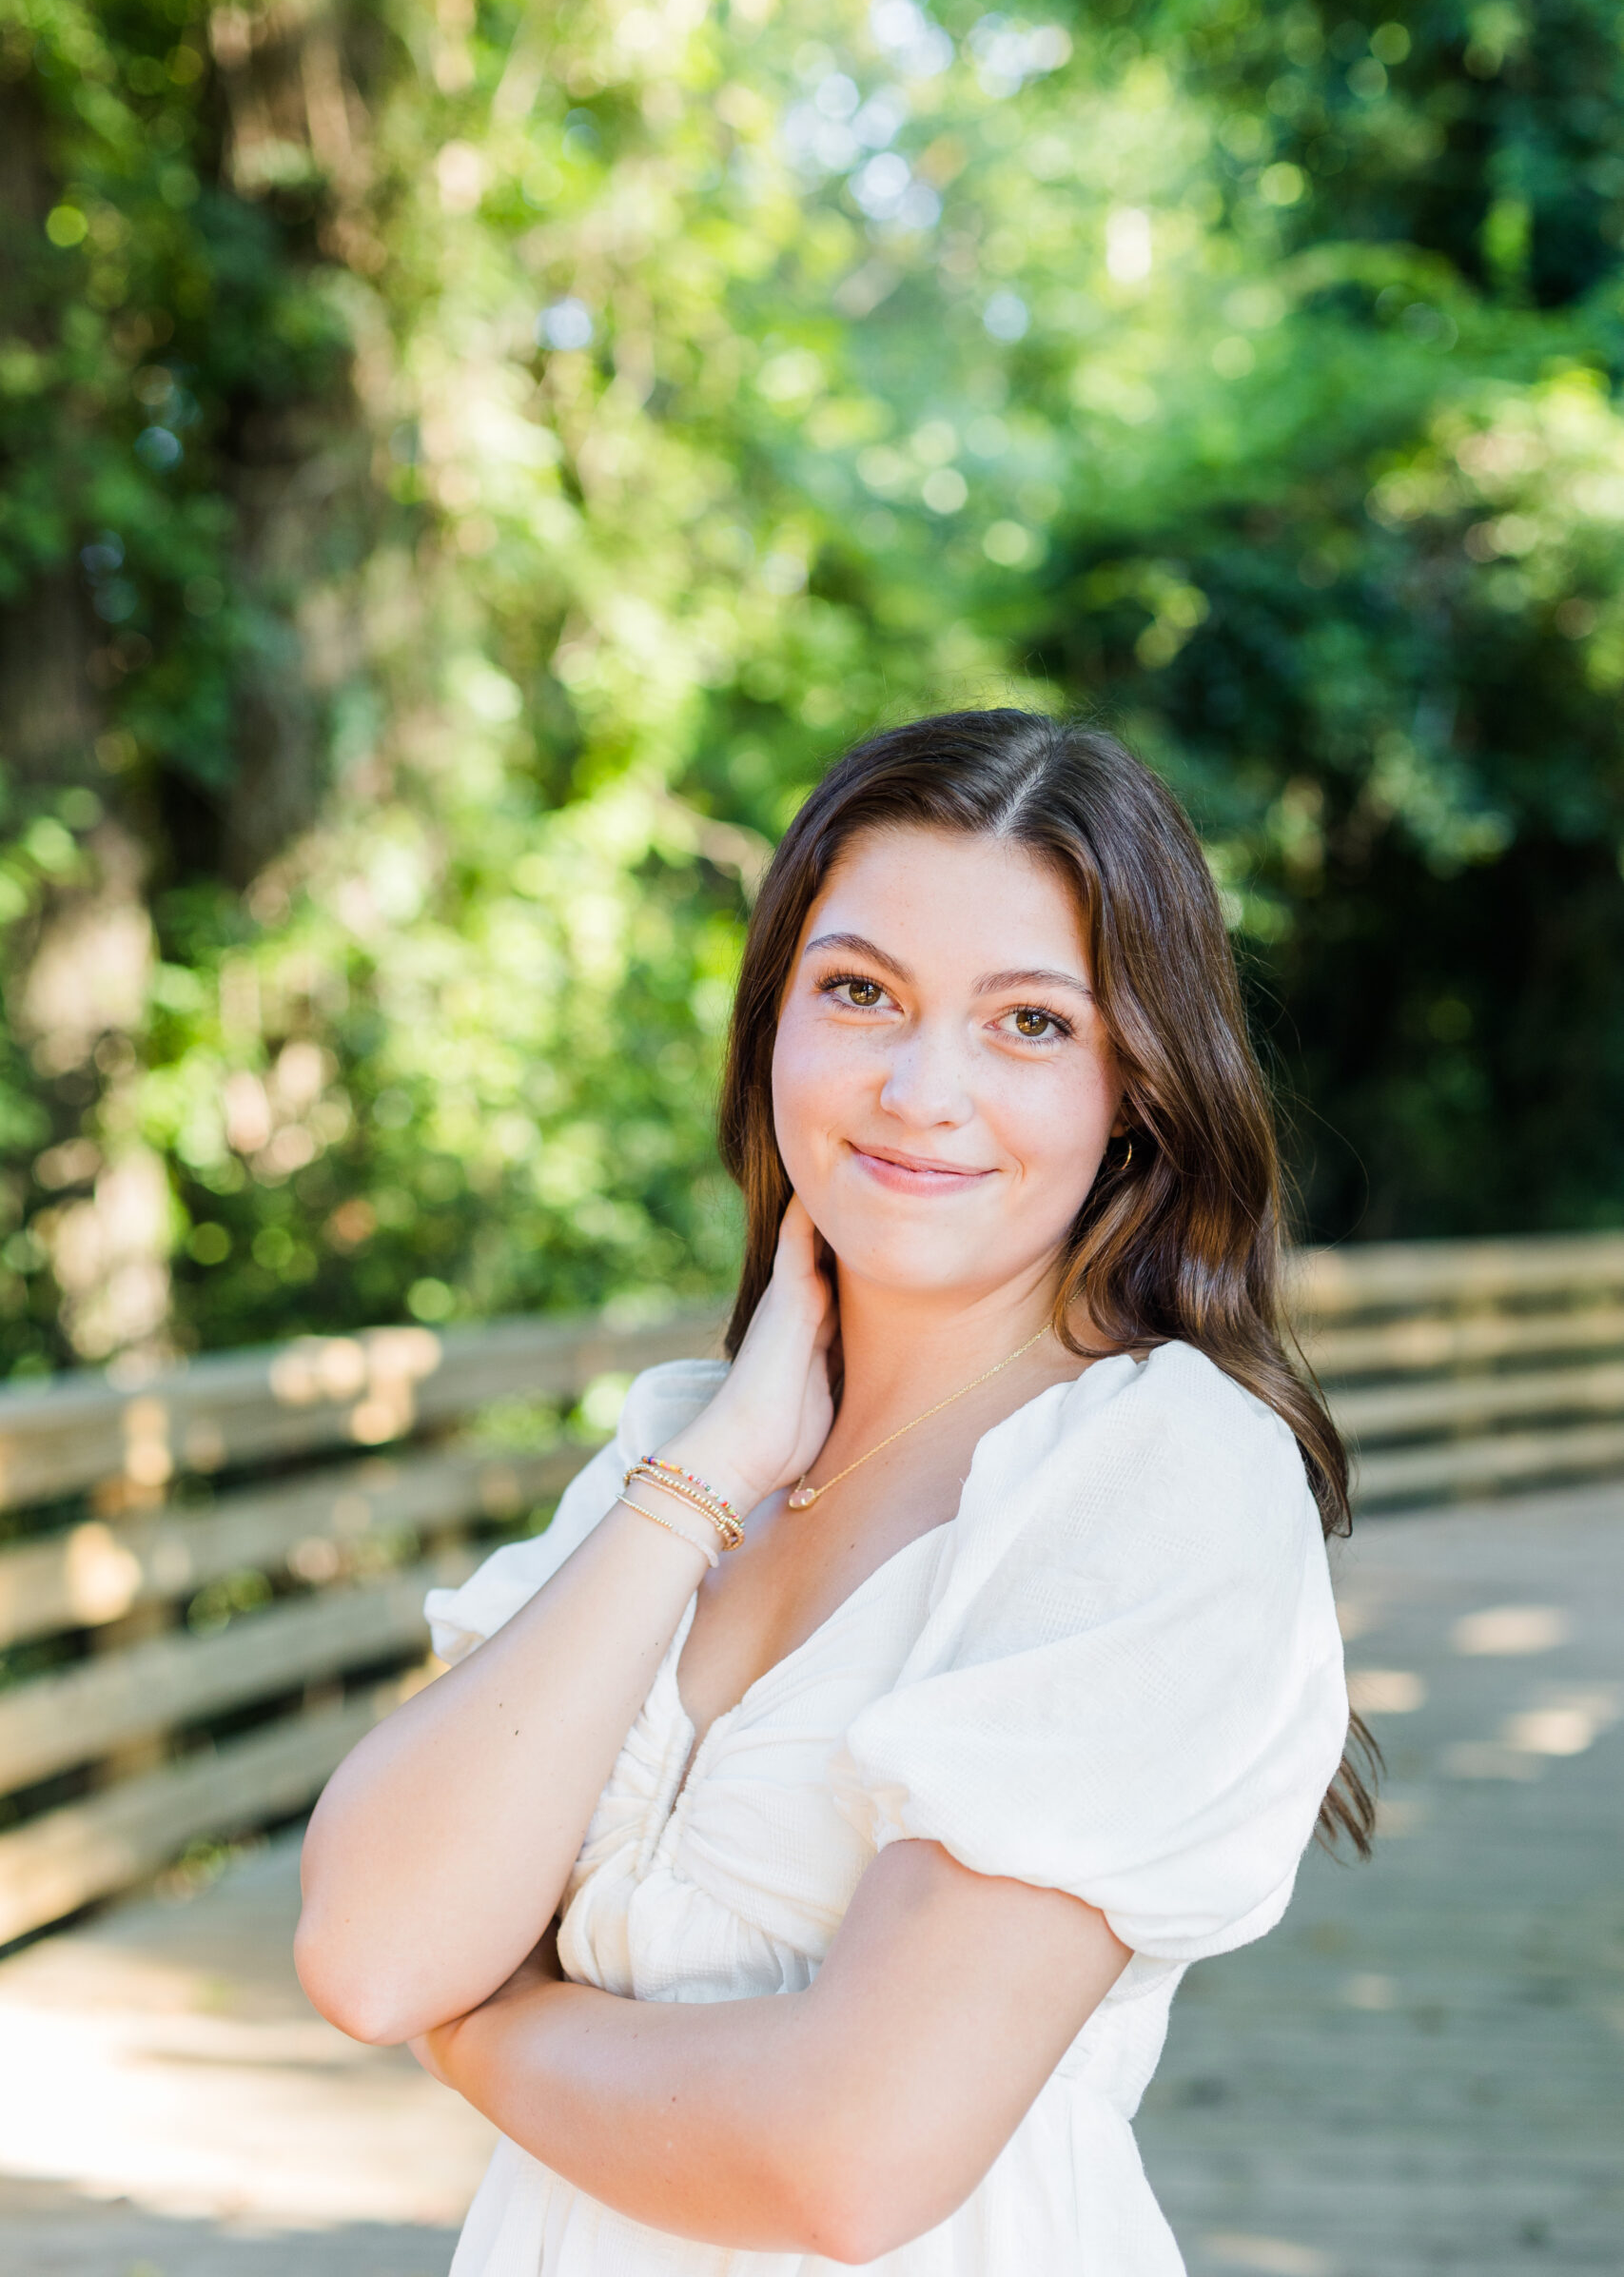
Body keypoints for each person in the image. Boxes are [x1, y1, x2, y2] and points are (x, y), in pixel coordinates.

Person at [295, 708, 1372, 2275]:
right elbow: (376, 1952)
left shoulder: (1163, 1474)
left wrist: (491, 2031)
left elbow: (852, 2157)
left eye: (1030, 1025)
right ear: (775, 1025)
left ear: (1136, 1084)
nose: (921, 1090)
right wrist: (709, 1477)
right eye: (861, 993)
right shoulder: (683, 1438)